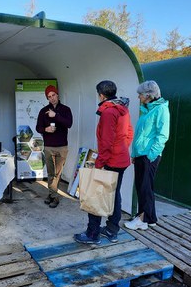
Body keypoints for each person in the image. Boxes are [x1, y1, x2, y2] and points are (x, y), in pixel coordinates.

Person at [74, 80, 133, 245]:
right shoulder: (123, 109)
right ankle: (111, 230)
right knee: (115, 194)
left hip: (110, 160)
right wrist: (122, 149)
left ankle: (93, 234)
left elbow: (106, 142)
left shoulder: (108, 112)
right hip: (121, 159)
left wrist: (99, 163)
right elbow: (129, 132)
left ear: (101, 94)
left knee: (97, 193)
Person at [124, 80, 170, 231]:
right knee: (142, 186)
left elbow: (162, 135)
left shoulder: (161, 109)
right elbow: (140, 135)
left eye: (140, 94)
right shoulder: (147, 109)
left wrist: (151, 155)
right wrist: (135, 154)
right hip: (141, 154)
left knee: (145, 187)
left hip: (149, 155)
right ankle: (150, 218)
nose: (138, 97)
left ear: (148, 95)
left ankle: (142, 220)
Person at [35, 84, 73, 208]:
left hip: (62, 146)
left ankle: (51, 194)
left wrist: (55, 115)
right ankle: (54, 196)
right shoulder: (43, 111)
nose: (52, 98)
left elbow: (69, 124)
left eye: (53, 95)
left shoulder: (66, 109)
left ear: (57, 95)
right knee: (51, 173)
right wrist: (46, 129)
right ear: (47, 98)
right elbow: (38, 127)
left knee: (58, 173)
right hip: (49, 146)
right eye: (49, 96)